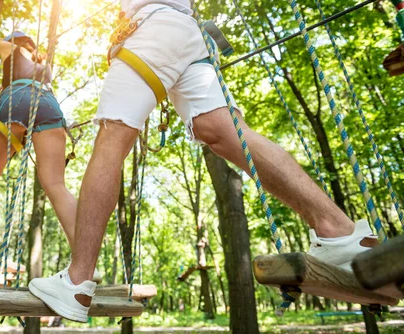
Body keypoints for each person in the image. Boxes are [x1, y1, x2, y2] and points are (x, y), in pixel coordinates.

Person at [28, 0, 378, 322]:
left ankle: (76, 281)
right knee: (227, 133)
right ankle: (339, 233)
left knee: (112, 138)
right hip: (188, 33)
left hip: (152, 28)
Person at [0, 9, 102, 284]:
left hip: (16, 100)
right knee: (57, 185)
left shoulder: (9, 47)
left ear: (15, 40)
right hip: (48, 105)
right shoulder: (44, 67)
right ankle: (85, 263)